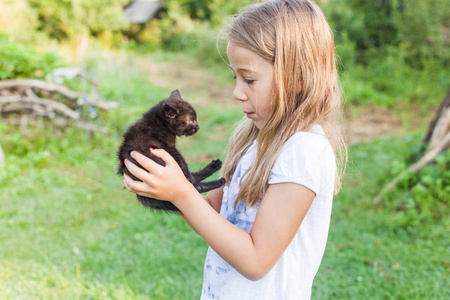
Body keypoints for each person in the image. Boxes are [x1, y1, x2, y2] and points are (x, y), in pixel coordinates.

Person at [122, 0, 347, 299]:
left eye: (249, 79)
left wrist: (182, 194)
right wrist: (165, 187)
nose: (237, 92)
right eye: (235, 77)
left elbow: (256, 261)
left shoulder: (302, 151)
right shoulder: (257, 139)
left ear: (298, 79)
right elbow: (212, 210)